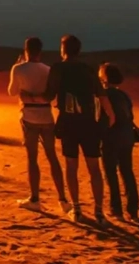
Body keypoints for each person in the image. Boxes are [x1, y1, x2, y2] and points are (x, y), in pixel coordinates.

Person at [42, 34, 113, 224]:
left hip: (69, 122)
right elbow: (102, 94)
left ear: (63, 50)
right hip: (89, 123)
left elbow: (49, 95)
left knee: (71, 166)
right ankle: (99, 212)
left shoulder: (58, 68)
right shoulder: (88, 69)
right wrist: (111, 115)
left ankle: (77, 208)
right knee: (94, 168)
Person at [7, 37, 69, 213]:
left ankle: (35, 198)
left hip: (29, 115)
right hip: (46, 116)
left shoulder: (18, 68)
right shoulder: (48, 70)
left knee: (32, 158)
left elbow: (11, 92)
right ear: (40, 51)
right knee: (52, 157)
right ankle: (63, 199)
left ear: (26, 50)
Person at [98, 62, 139, 220]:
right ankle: (133, 209)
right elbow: (130, 116)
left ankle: (116, 209)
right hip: (127, 136)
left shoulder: (104, 94)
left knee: (111, 173)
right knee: (127, 171)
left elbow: (103, 117)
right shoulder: (124, 95)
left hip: (111, 137)